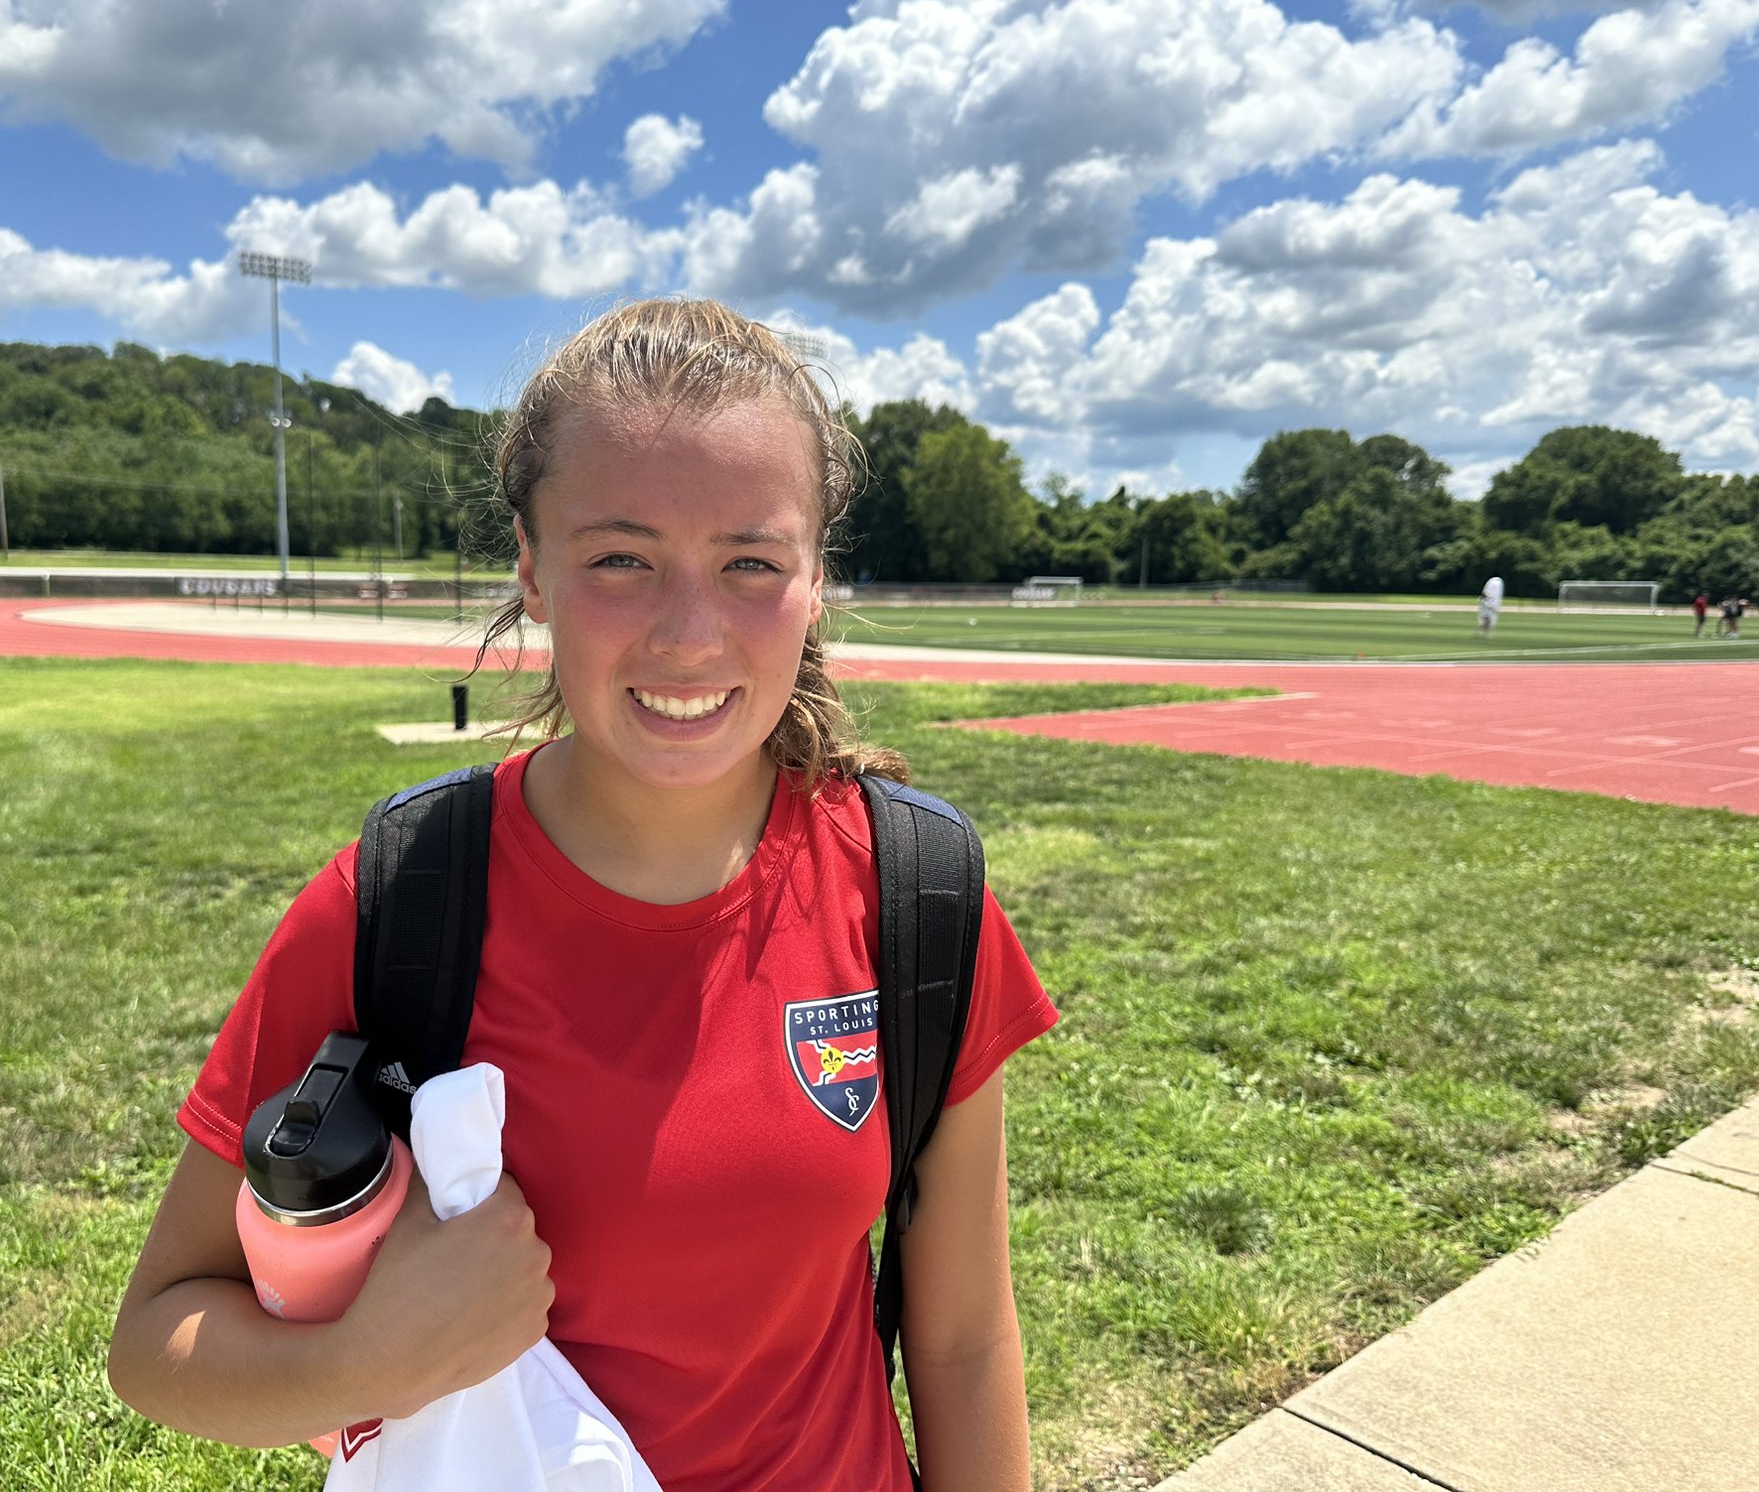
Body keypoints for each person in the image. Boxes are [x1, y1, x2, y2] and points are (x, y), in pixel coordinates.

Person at [106, 298, 1056, 1492]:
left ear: (817, 583)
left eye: (751, 562)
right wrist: (372, 1357)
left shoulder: (917, 896)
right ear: (531, 570)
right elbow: (156, 1343)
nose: (689, 632)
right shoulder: (398, 902)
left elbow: (964, 1343)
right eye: (621, 558)